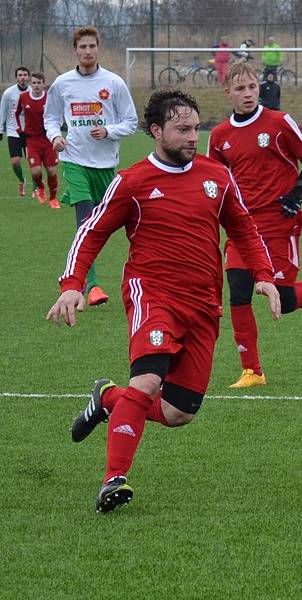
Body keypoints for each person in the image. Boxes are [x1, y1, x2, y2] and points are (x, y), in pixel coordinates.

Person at [47, 89, 282, 513]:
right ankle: (113, 480)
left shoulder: (217, 177)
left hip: (204, 304)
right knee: (148, 381)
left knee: (178, 413)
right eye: (182, 129)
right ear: (156, 131)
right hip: (152, 295)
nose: (193, 136)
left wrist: (264, 276)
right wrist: (72, 283)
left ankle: (108, 399)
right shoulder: (132, 182)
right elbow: (92, 232)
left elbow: (245, 229)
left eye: (196, 128)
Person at [208, 62, 302, 389]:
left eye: (252, 87)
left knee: (283, 297)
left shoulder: (280, 122)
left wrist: (299, 192)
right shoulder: (219, 135)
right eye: (240, 89)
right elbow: (214, 181)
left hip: (280, 222)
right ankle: (252, 371)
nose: (248, 94)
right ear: (228, 93)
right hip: (241, 227)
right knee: (238, 292)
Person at [44, 26, 138, 307]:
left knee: (104, 224)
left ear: (98, 49)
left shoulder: (114, 83)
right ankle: (90, 286)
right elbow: (50, 118)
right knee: (85, 220)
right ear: (75, 50)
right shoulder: (63, 83)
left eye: (91, 47)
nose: (87, 51)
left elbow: (130, 122)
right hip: (74, 159)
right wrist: (55, 136)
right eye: (82, 47)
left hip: (105, 165)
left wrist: (108, 131)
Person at [15, 72, 60, 209]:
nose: (36, 85)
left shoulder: (49, 98)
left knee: (51, 171)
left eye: (39, 83)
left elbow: (57, 114)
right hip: (32, 141)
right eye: (33, 83)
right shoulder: (23, 97)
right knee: (35, 172)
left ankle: (53, 199)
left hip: (47, 140)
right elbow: (15, 114)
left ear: (43, 84)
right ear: (30, 83)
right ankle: (40, 187)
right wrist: (19, 130)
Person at [0, 66, 31, 197]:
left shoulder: (33, 91)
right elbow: (3, 111)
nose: (22, 77)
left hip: (30, 132)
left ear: (28, 77)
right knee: (15, 162)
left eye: (25, 75)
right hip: (14, 132)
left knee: (33, 161)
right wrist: (1, 129)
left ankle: (36, 188)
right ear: (16, 77)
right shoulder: (9, 93)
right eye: (20, 75)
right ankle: (21, 180)